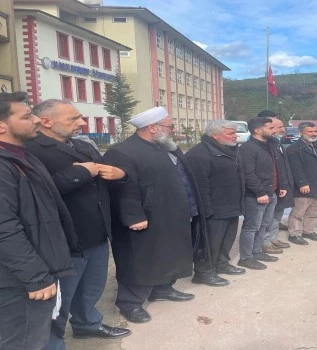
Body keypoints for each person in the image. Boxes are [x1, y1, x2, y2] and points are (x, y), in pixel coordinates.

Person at [26, 100, 131, 347]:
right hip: (65, 239)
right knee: (60, 301)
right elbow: (38, 193)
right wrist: (79, 173)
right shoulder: (32, 150)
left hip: (96, 232)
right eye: (72, 119)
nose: (82, 123)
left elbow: (103, 178)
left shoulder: (83, 146)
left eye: (80, 117)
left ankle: (87, 324)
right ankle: (53, 342)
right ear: (46, 122)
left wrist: (121, 175)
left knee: (91, 288)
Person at [103, 107, 214, 324]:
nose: (173, 130)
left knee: (167, 254)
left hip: (171, 214)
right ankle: (130, 303)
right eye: (169, 126)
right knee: (139, 259)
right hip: (145, 217)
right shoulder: (123, 151)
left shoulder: (164, 147)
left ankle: (162, 288)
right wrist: (133, 216)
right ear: (152, 128)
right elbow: (121, 188)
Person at [0, 92, 80, 349]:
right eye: (26, 116)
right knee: (24, 341)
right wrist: (35, 277)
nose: (35, 120)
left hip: (37, 270)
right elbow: (4, 227)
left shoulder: (22, 156)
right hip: (18, 281)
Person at [186, 120, 246, 284]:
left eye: (235, 132)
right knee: (209, 243)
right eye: (230, 133)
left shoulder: (229, 150)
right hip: (213, 209)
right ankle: (203, 272)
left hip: (231, 205)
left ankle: (222, 263)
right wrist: (205, 210)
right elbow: (200, 186)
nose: (235, 136)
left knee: (226, 239)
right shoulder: (199, 154)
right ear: (215, 135)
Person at [237, 117, 283, 269]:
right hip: (256, 196)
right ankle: (245, 257)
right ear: (257, 130)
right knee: (251, 226)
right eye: (270, 128)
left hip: (271, 192)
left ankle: (257, 252)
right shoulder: (248, 148)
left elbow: (273, 169)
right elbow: (248, 173)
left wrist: (278, 187)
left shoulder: (267, 146)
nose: (274, 130)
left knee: (264, 225)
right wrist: (259, 192)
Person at [286, 122, 317, 245]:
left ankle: (308, 231)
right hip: (304, 187)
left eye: (315, 131)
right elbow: (295, 169)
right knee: (298, 212)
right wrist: (302, 183)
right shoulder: (294, 149)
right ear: (301, 133)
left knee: (315, 210)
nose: (314, 134)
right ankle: (294, 234)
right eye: (310, 131)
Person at [258, 111, 293, 254]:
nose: (281, 129)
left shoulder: (276, 142)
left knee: (277, 215)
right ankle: (265, 242)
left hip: (280, 186)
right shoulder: (263, 144)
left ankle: (273, 238)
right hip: (268, 188)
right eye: (277, 127)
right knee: (267, 218)